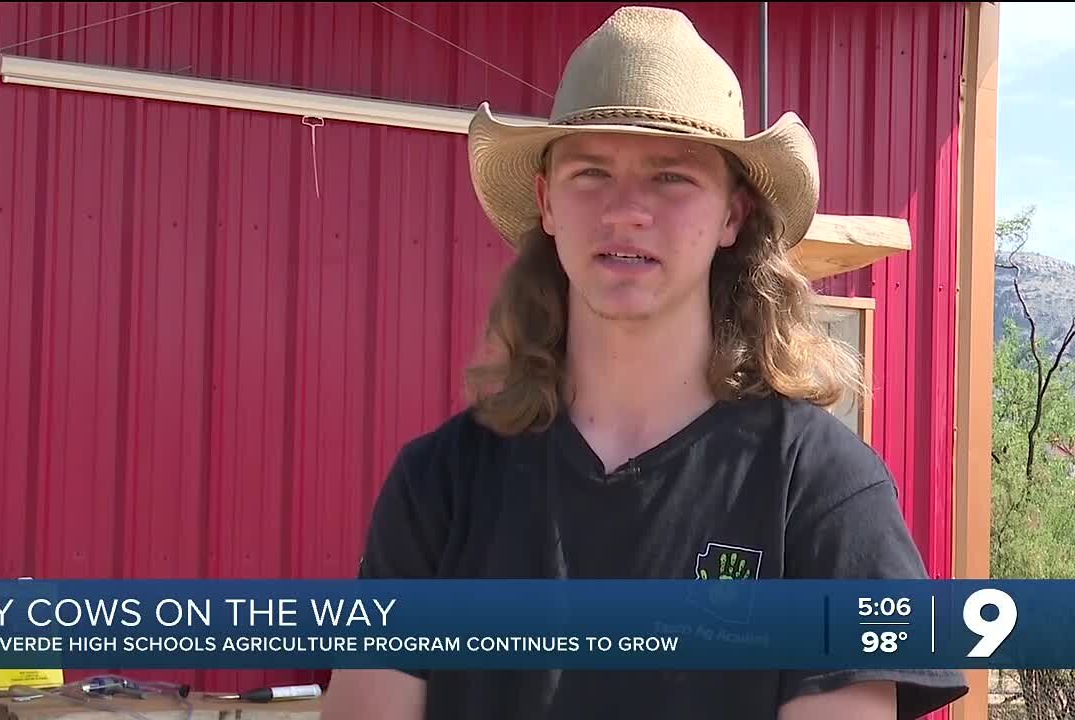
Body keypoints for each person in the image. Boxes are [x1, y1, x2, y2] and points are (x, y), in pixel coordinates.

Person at [321, 6, 969, 719]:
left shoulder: (822, 492)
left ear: (733, 216)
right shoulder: (438, 485)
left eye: (670, 176)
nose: (626, 209)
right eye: (590, 171)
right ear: (546, 202)